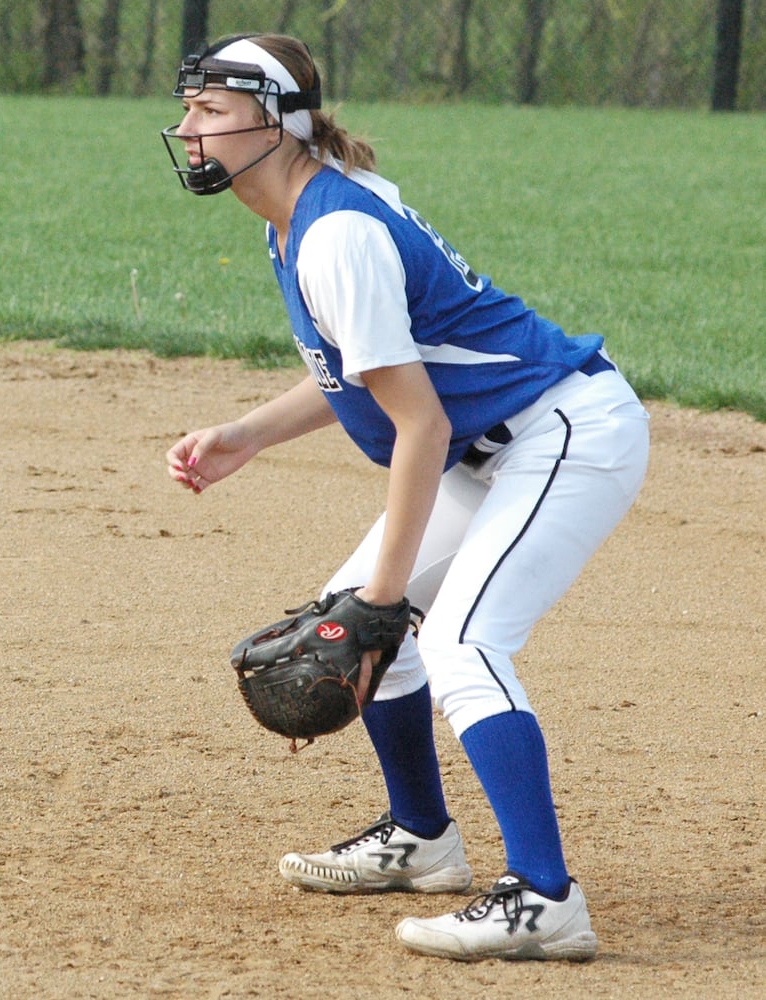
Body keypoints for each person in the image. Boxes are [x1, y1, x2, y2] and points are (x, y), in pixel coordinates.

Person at [160, 33, 650, 962]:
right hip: (492, 444)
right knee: (370, 619)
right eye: (189, 109)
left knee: (455, 636)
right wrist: (246, 435)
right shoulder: (296, 217)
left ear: (278, 124)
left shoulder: (335, 233)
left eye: (211, 111)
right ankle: (422, 840)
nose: (189, 129)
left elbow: (418, 426)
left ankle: (545, 898)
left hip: (563, 433)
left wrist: (384, 605)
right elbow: (369, 373)